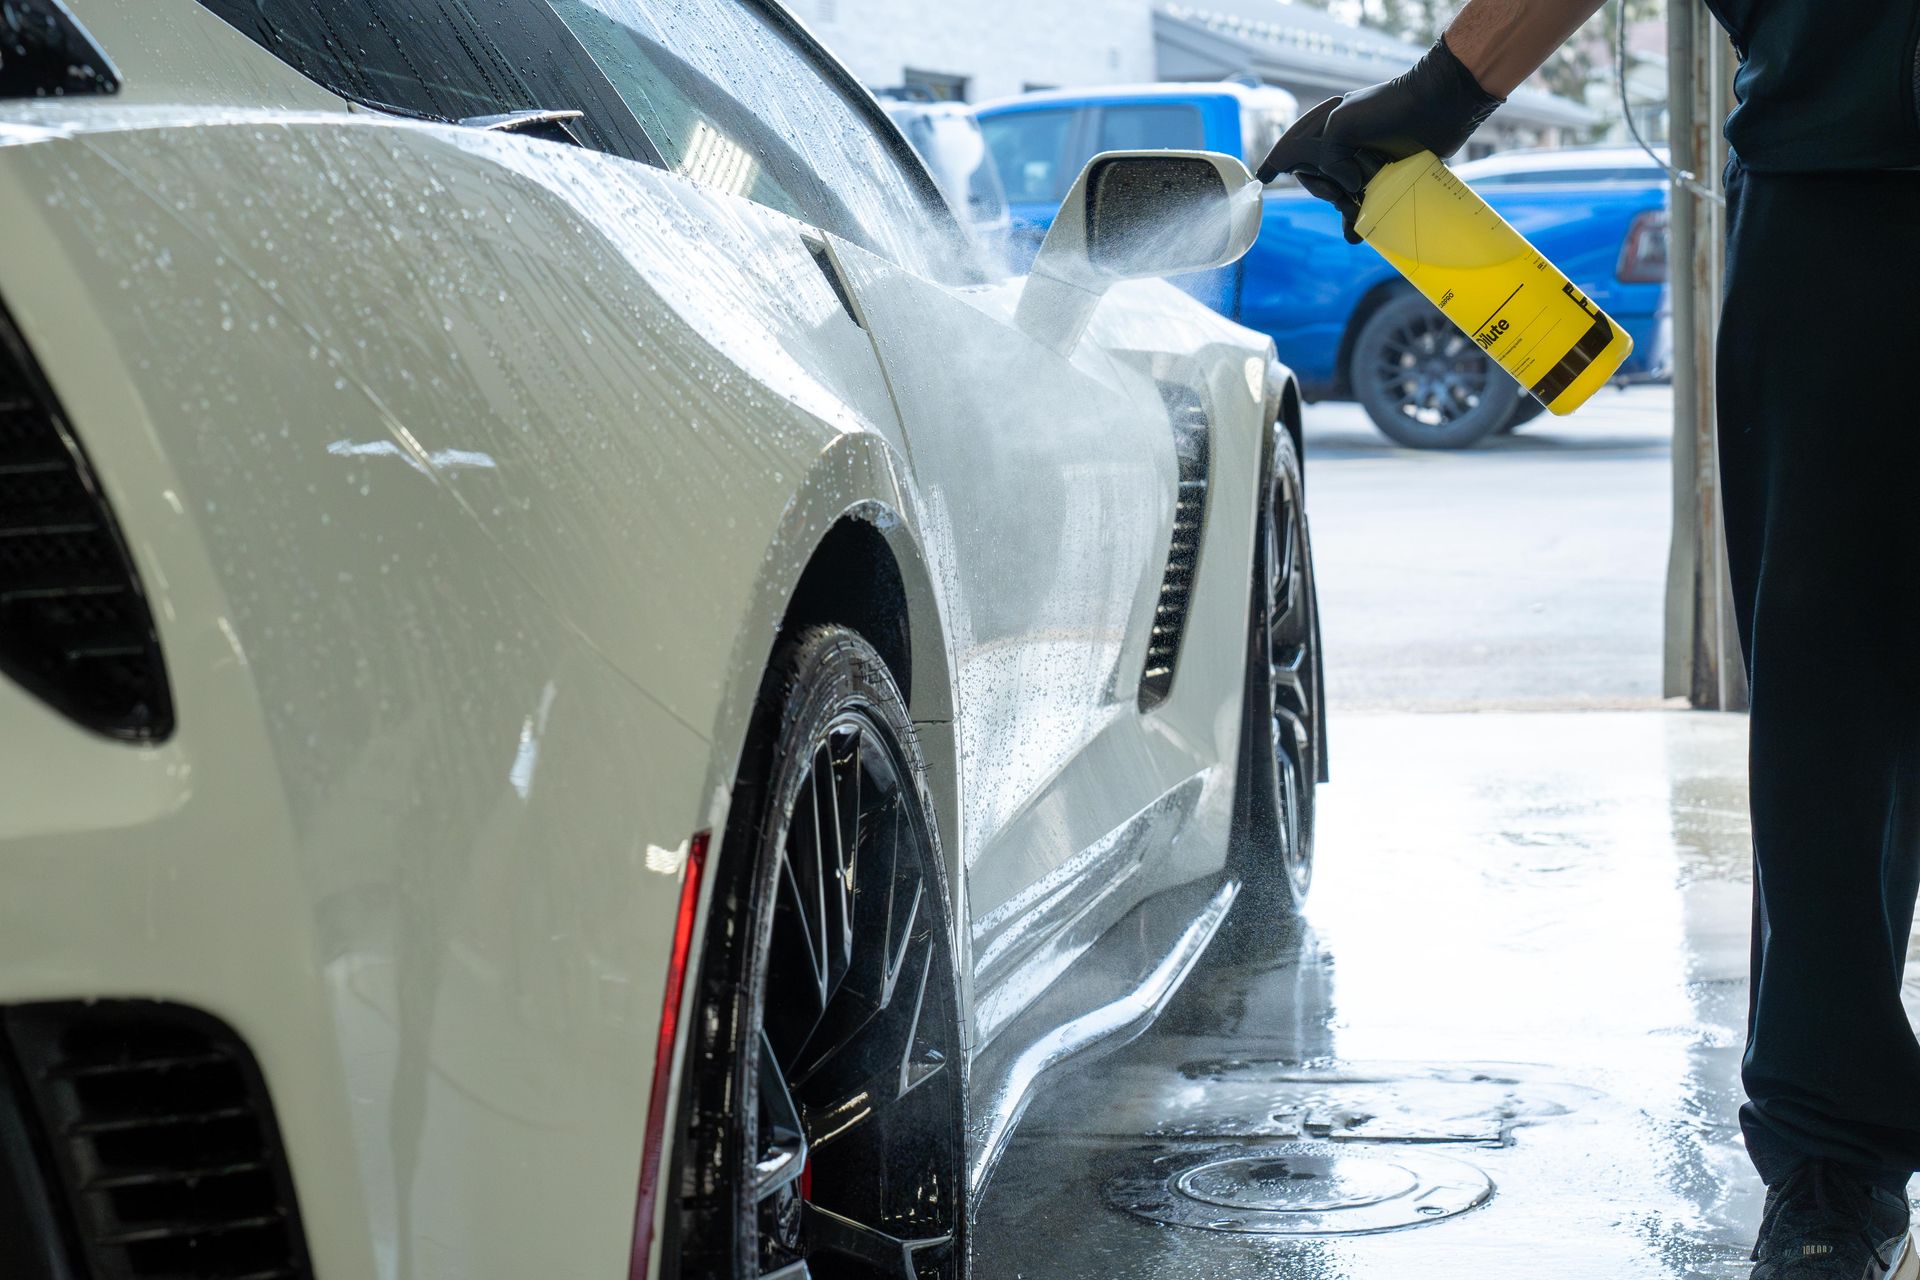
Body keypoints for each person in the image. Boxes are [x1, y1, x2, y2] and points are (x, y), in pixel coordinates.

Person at [1260, 2, 1920, 1276]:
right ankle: (1834, 1160)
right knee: (1831, 702)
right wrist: (1439, 95)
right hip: (1842, 189)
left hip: (1837, 176)